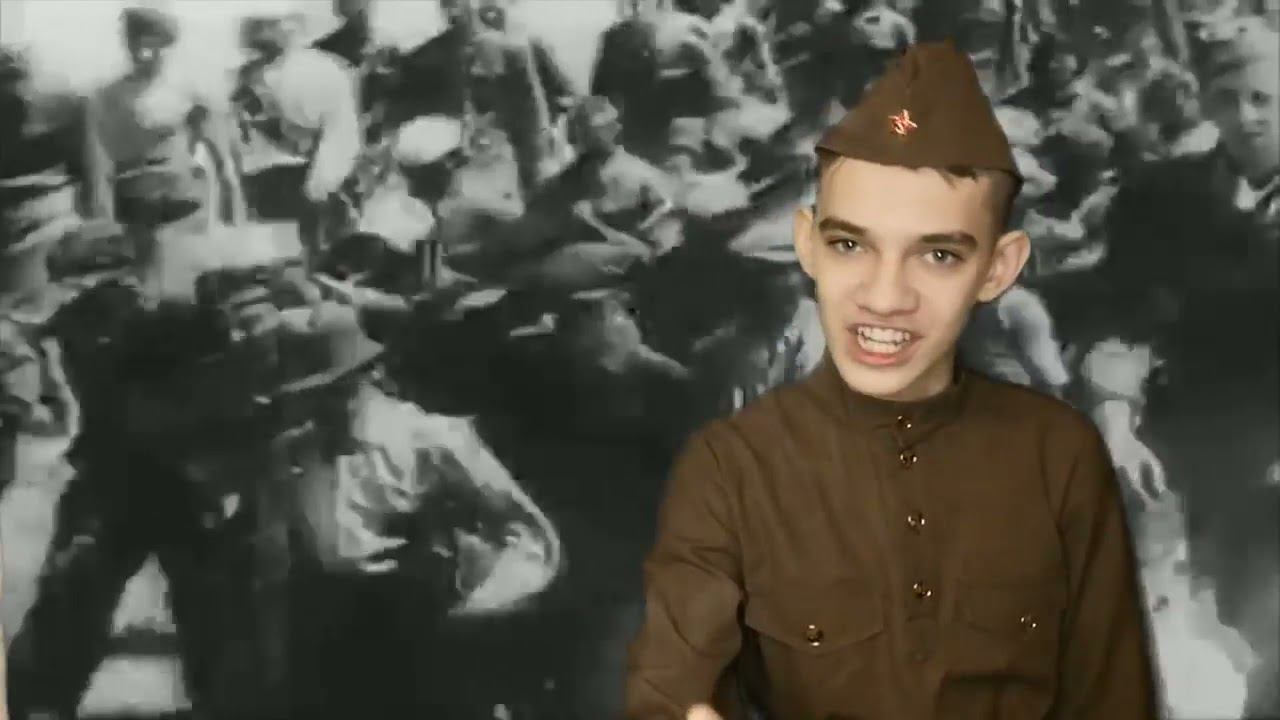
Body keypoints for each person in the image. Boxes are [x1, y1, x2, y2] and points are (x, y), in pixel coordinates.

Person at [626, 40, 1157, 719]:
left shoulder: (1046, 427)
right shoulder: (742, 439)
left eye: (939, 251)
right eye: (851, 246)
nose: (885, 291)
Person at [1078, 16, 1279, 716]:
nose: (1246, 117)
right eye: (1227, 98)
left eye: (1263, 98)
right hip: (1191, 439)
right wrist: (1114, 415)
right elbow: (1123, 318)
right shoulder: (1161, 198)